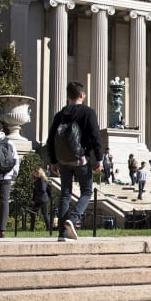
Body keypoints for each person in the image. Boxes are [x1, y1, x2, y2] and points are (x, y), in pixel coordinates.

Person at [46, 81, 103, 242]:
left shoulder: (60, 114)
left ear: (68, 96)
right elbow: (95, 136)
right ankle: (74, 217)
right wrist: (99, 158)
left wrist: (53, 161)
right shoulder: (88, 112)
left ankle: (62, 234)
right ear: (82, 95)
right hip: (81, 159)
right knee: (86, 191)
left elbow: (51, 139)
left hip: (63, 160)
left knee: (65, 194)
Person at [31, 167, 53, 231]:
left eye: (34, 172)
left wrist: (37, 192)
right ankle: (32, 229)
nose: (33, 174)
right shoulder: (39, 179)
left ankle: (49, 229)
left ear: (38, 172)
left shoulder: (41, 179)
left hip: (42, 199)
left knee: (45, 214)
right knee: (33, 212)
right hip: (39, 199)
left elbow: (43, 189)